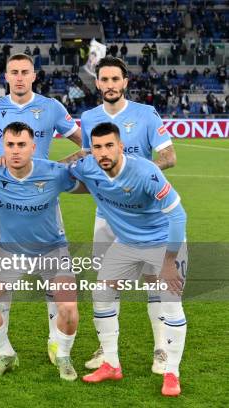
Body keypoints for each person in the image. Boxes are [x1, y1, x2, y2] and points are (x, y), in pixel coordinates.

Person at [0, 53, 83, 363]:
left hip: (44, 200)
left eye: (25, 72)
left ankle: (55, 342)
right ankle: (0, 342)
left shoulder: (52, 107)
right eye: (13, 72)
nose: (19, 77)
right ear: (6, 77)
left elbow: (83, 140)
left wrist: (59, 167)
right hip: (5, 199)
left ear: (34, 75)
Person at [71, 122, 187, 397]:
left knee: (170, 302)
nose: (103, 152)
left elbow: (178, 216)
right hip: (126, 242)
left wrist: (170, 262)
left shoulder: (146, 172)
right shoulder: (88, 167)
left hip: (162, 242)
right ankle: (111, 363)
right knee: (102, 293)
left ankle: (172, 372)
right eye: (97, 147)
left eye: (109, 145)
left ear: (121, 146)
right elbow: (57, 174)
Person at [78, 57, 177, 373]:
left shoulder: (146, 115)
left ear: (125, 82)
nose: (109, 85)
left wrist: (135, 176)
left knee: (154, 281)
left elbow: (168, 156)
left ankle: (161, 349)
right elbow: (84, 158)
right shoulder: (89, 117)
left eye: (115, 79)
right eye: (104, 79)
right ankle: (108, 352)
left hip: (143, 216)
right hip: (106, 215)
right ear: (97, 83)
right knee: (107, 284)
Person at [0, 122, 80, 380]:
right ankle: (6, 354)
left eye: (22, 145)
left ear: (33, 147)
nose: (16, 151)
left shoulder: (54, 173)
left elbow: (86, 184)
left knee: (69, 308)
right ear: (2, 147)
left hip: (52, 250)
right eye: (10, 145)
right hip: (10, 251)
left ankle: (63, 355)